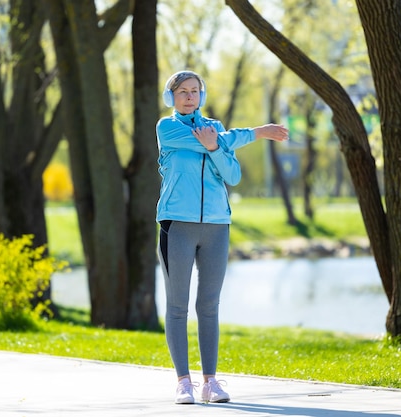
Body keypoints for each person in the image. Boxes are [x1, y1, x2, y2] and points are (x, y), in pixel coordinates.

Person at [156, 70, 289, 404]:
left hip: (217, 225)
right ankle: (183, 382)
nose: (189, 96)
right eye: (182, 91)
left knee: (209, 305)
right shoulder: (167, 128)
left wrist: (215, 147)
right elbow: (219, 141)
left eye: (195, 91)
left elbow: (233, 174)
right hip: (177, 225)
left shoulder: (214, 128)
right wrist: (255, 133)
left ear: (202, 95)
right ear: (171, 97)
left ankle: (210, 382)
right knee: (177, 306)